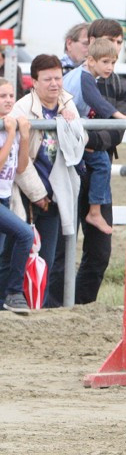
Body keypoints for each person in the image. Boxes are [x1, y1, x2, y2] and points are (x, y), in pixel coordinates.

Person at [5, 54, 86, 308]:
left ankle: (37, 303)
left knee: (48, 255)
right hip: (27, 192)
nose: (54, 84)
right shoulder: (21, 108)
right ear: (35, 82)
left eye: (58, 77)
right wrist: (37, 194)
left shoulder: (68, 104)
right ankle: (9, 299)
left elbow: (80, 142)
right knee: (14, 250)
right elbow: (20, 159)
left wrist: (69, 123)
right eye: (48, 79)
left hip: (56, 191)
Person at [66, 18, 126, 304]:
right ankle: (54, 306)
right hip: (69, 166)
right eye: (110, 42)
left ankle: (83, 304)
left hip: (96, 163)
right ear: (92, 43)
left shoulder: (122, 85)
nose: (115, 50)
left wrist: (88, 142)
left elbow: (116, 133)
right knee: (61, 244)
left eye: (119, 43)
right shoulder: (75, 75)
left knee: (99, 251)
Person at [62, 37, 126, 235]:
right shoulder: (85, 77)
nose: (110, 67)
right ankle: (94, 210)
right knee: (102, 163)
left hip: (71, 130)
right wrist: (121, 116)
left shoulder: (79, 74)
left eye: (113, 62)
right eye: (105, 62)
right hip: (71, 132)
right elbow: (97, 102)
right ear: (91, 60)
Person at [0, 79, 33, 314]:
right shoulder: (4, 129)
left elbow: (20, 168)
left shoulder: (10, 126)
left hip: (4, 198)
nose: (9, 100)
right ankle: (13, 292)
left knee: (4, 254)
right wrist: (11, 134)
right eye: (3, 96)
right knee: (24, 234)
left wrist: (24, 136)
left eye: (11, 95)